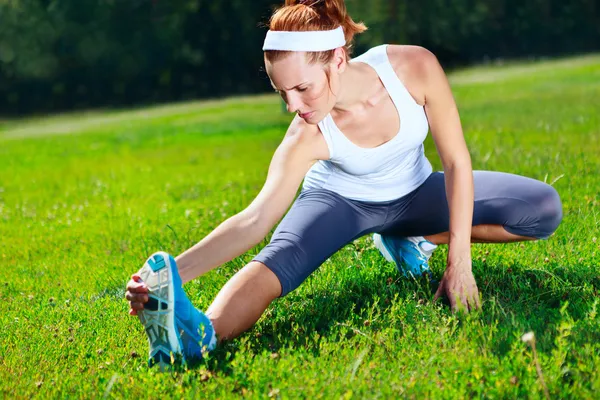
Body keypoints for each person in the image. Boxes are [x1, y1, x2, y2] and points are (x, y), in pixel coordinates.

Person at [125, 0, 563, 368]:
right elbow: (255, 220)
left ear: (337, 58)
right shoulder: (306, 135)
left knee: (542, 209)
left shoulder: (413, 68)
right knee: (279, 261)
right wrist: (169, 278)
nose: (293, 106)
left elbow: (457, 160)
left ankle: (412, 240)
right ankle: (200, 336)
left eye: (302, 87)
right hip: (339, 204)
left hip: (414, 193)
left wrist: (459, 262)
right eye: (283, 93)